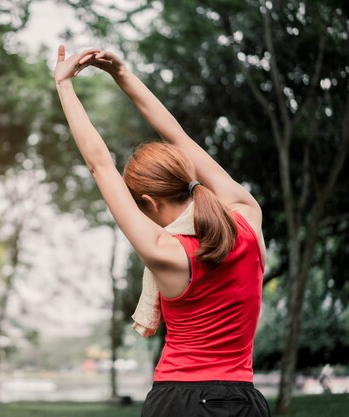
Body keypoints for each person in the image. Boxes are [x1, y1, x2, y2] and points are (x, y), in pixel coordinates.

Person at [54, 45, 271, 417]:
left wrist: (64, 85)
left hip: (179, 400)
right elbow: (180, 139)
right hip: (245, 400)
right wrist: (124, 74)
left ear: (148, 203)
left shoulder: (166, 253)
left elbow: (99, 166)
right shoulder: (248, 218)